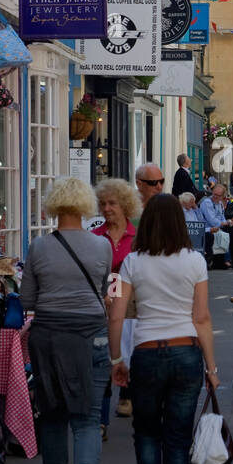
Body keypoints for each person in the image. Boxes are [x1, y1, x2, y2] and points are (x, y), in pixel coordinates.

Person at [108, 193, 218, 464]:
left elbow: (116, 314)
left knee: (147, 432)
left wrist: (115, 360)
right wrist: (212, 367)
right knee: (177, 438)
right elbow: (201, 318)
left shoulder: (131, 263)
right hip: (186, 353)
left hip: (147, 353)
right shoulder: (195, 261)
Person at [21, 178, 112, 464]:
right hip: (92, 335)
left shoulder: (39, 247)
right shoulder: (102, 246)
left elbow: (27, 300)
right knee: (88, 417)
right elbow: (103, 292)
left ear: (53, 205)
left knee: (54, 414)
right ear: (85, 205)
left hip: (50, 337)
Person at [92, 179, 139, 428]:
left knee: (129, 350)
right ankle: (101, 418)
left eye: (112, 203)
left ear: (125, 205)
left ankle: (127, 394)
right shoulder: (94, 237)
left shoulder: (137, 236)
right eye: (102, 204)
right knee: (103, 354)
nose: (107, 208)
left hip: (131, 304)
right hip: (101, 303)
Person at [199, 181, 233, 269]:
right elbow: (212, 221)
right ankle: (227, 260)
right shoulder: (207, 202)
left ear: (222, 196)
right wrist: (226, 223)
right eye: (214, 194)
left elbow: (222, 218)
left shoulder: (220, 204)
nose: (215, 196)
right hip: (209, 228)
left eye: (218, 195)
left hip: (218, 227)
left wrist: (230, 221)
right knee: (230, 230)